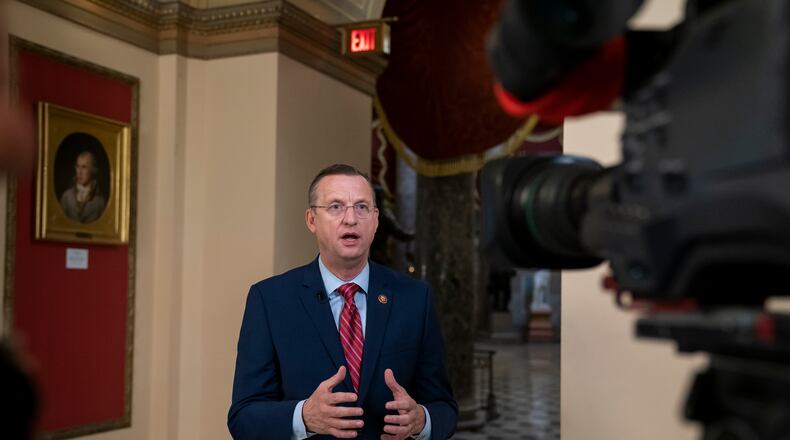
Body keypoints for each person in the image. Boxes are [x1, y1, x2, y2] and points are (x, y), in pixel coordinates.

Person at [228, 164, 457, 439]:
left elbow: (445, 409)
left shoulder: (415, 299)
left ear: (375, 220)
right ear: (311, 220)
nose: (351, 219)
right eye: (336, 207)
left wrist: (421, 420)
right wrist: (304, 417)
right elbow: (243, 418)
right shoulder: (269, 300)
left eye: (361, 207)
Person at [59, 151, 106, 223]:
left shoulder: (99, 202)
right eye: (78, 166)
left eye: (84, 167)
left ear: (92, 170)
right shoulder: (66, 197)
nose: (79, 172)